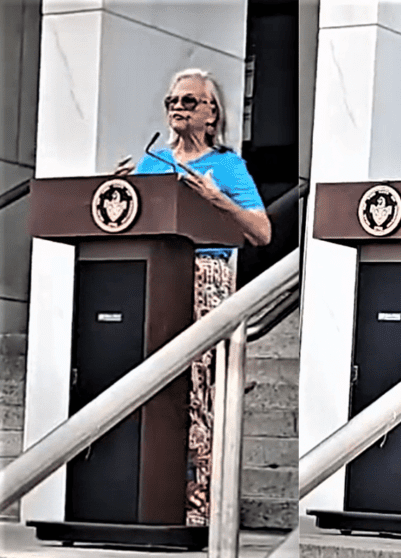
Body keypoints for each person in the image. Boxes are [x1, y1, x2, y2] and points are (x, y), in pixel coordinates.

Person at [115, 68, 271, 525]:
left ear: (211, 113)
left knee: (201, 394)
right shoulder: (152, 163)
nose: (178, 109)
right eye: (172, 102)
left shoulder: (227, 166)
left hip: (204, 277)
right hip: (151, 281)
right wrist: (116, 190)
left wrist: (216, 198)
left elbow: (262, 231)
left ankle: (200, 508)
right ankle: (147, 498)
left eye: (189, 102)